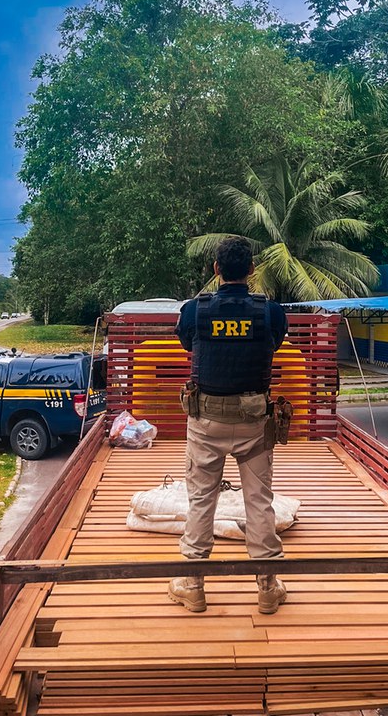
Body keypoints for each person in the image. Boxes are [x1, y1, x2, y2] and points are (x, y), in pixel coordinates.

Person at [169, 236, 288, 614]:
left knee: (202, 499)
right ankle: (268, 587)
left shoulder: (194, 310)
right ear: (252, 270)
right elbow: (274, 344)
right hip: (255, 422)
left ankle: (192, 584)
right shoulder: (270, 312)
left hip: (207, 421)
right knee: (259, 500)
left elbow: (190, 345)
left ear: (216, 269)